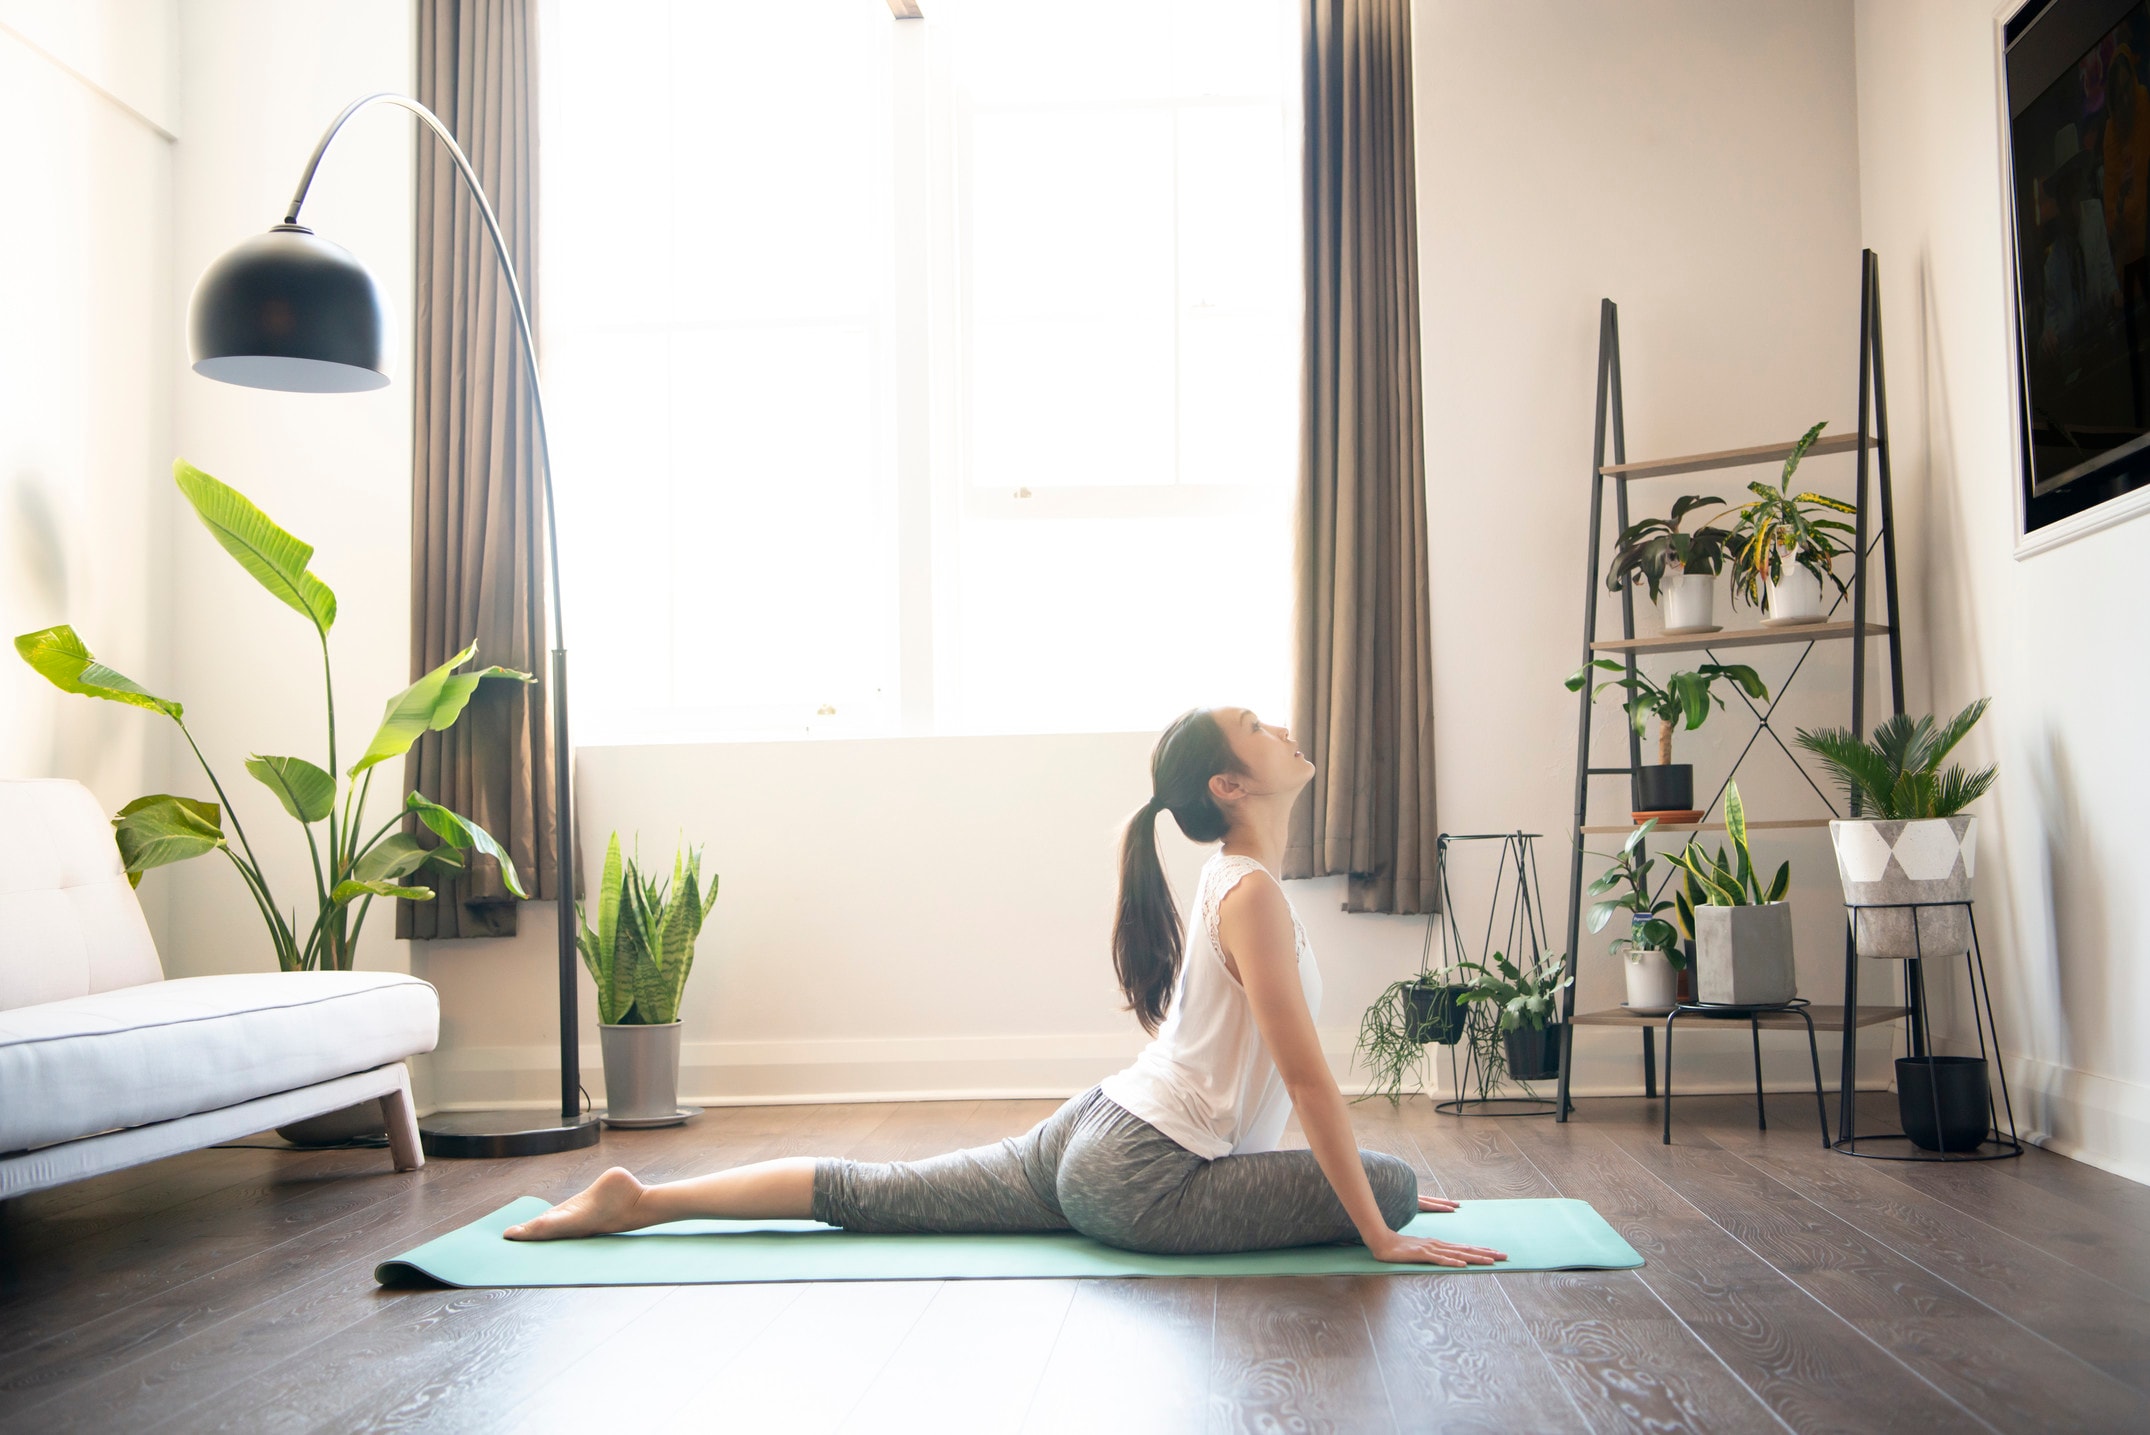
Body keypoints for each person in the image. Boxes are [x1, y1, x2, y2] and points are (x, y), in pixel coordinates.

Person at [504, 707, 1505, 1268]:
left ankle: (642, 1199)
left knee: (871, 1194)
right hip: (1143, 1173)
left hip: (1097, 1127)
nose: (1280, 724)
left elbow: (1276, 1091)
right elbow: (1311, 1083)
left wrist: (1327, 1190)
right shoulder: (1248, 896)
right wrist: (1372, 1223)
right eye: (1255, 726)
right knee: (1390, 1181)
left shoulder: (1228, 882)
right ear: (1229, 787)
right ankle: (639, 1202)